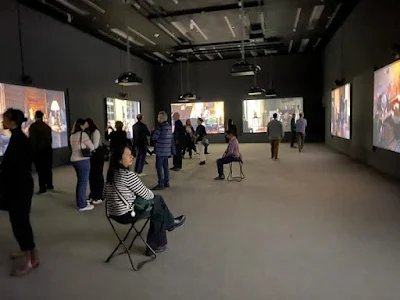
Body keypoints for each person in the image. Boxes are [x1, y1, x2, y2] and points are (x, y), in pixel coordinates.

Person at [103, 146, 186, 255]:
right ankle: (158, 240)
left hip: (113, 214)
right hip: (127, 214)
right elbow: (149, 195)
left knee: (157, 206)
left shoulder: (111, 175)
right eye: (127, 155)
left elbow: (104, 194)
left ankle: (168, 226)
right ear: (119, 159)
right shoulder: (128, 175)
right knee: (157, 202)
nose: (131, 156)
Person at [0, 109, 38, 276]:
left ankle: (30, 259)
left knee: (20, 223)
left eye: (5, 119)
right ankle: (27, 251)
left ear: (13, 121)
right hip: (18, 186)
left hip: (19, 187)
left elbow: (13, 167)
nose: (2, 122)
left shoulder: (19, 140)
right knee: (19, 221)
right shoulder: (17, 138)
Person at [70, 119, 95, 211]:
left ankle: (81, 201)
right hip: (82, 160)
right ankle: (82, 204)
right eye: (84, 124)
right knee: (83, 182)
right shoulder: (83, 135)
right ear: (81, 125)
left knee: (80, 181)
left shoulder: (72, 135)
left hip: (74, 159)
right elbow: (92, 146)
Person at [28, 110, 53, 193]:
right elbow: (50, 139)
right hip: (48, 150)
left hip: (38, 151)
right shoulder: (47, 127)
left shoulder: (33, 127)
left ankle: (42, 187)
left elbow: (32, 140)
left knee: (40, 170)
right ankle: (50, 184)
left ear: (35, 116)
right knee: (48, 168)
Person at [152, 111, 175, 190]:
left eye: (158, 117)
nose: (157, 118)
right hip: (167, 150)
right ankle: (166, 182)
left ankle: (161, 183)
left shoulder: (160, 127)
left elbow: (154, 137)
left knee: (159, 167)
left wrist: (153, 132)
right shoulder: (169, 126)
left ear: (161, 118)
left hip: (160, 150)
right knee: (165, 166)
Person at [85, 118, 104, 205]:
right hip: (92, 155)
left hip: (97, 155)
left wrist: (88, 147)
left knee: (97, 175)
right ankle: (93, 194)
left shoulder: (95, 132)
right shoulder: (87, 132)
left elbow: (95, 145)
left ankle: (99, 195)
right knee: (92, 175)